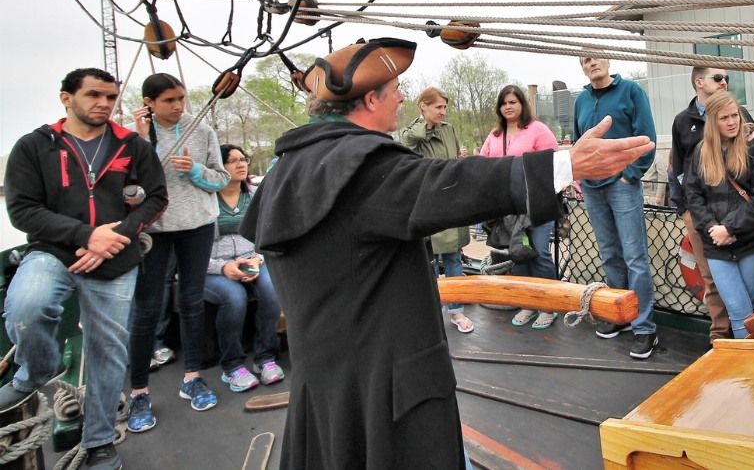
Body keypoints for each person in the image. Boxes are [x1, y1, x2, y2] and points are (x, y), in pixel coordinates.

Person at [240, 38, 653, 469]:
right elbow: (454, 183)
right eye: (395, 89)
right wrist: (565, 164)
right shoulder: (360, 168)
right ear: (369, 100)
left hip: (326, 386)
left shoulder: (287, 171)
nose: (402, 98)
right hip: (390, 392)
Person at [3, 68, 168, 470]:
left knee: (107, 350)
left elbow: (156, 198)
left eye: (110, 97)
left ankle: (99, 442)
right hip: (54, 251)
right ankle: (37, 370)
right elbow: (23, 209)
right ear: (66, 98)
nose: (104, 104)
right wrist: (85, 235)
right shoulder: (34, 146)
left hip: (116, 256)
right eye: (94, 95)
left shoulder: (132, 146)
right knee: (26, 306)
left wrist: (118, 235)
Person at [127, 73, 231, 432]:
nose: (178, 106)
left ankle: (192, 377)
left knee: (191, 302)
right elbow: (128, 189)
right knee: (146, 309)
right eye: (169, 100)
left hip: (197, 226)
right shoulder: (133, 136)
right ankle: (140, 391)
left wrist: (197, 171)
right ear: (149, 102)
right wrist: (141, 143)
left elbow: (221, 179)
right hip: (154, 229)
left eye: (181, 98)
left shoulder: (201, 130)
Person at [574, 56, 659, 359]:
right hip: (592, 189)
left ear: (608, 60)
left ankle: (644, 327)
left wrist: (630, 175)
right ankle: (619, 316)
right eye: (585, 59)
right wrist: (580, 177)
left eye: (596, 57)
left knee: (635, 257)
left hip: (622, 185)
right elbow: (578, 143)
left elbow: (647, 137)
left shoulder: (631, 91)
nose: (592, 63)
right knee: (610, 255)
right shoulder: (581, 100)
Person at [669, 67, 754, 344]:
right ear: (699, 82)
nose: (724, 82)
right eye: (717, 78)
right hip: (702, 216)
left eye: (727, 78)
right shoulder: (683, 122)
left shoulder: (740, 115)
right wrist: (685, 209)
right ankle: (720, 336)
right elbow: (678, 168)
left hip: (741, 217)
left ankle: (750, 340)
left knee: (748, 283)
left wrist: (736, 222)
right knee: (711, 279)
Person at [682, 91, 754, 339]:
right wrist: (714, 229)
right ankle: (750, 363)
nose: (732, 122)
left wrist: (730, 229)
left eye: (735, 116)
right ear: (713, 122)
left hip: (751, 241)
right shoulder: (701, 153)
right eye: (725, 118)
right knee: (737, 308)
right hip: (717, 245)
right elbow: (693, 196)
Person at [478, 85, 561, 330]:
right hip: (509, 205)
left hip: (537, 202)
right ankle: (528, 303)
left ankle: (549, 305)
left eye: (513, 101)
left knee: (540, 252)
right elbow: (483, 163)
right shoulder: (494, 135)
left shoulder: (538, 130)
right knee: (518, 253)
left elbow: (553, 161)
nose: (508, 106)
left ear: (522, 104)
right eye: (504, 103)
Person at [203, 144, 284, 392]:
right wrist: (224, 267)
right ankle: (233, 364)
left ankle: (265, 358)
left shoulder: (256, 193)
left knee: (272, 292)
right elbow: (192, 249)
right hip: (213, 268)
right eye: (232, 160)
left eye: (243, 159)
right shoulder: (204, 199)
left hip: (254, 260)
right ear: (218, 166)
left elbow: (269, 231)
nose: (241, 164)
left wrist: (258, 257)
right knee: (233, 297)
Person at [400, 87, 474, 334]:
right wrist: (425, 122)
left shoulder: (449, 129)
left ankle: (456, 311)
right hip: (425, 205)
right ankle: (430, 313)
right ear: (423, 106)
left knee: (453, 258)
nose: (443, 112)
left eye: (445, 107)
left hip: (449, 202)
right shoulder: (411, 132)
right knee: (427, 261)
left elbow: (453, 161)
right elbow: (411, 142)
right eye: (438, 107)